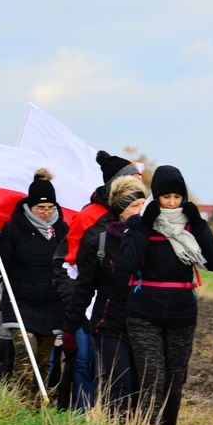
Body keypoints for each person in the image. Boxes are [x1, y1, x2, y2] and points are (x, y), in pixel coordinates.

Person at [120, 165, 213, 425]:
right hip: (144, 312)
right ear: (156, 197)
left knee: (175, 380)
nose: (171, 203)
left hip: (181, 313)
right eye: (166, 197)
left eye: (177, 197)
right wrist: (144, 224)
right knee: (153, 376)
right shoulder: (139, 224)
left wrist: (200, 225)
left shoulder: (192, 226)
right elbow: (127, 264)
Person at [56, 150, 142, 410]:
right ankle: (81, 415)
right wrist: (75, 312)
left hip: (133, 315)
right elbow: (68, 264)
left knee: (127, 379)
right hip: (93, 307)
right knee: (85, 362)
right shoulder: (90, 220)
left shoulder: (143, 223)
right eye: (133, 178)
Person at [0, 169, 68, 403]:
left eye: (50, 207)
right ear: (30, 207)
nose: (46, 212)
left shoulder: (62, 230)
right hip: (20, 303)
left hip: (52, 306)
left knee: (42, 362)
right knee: (25, 358)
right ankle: (21, 409)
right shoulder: (13, 229)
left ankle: (36, 410)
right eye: (41, 208)